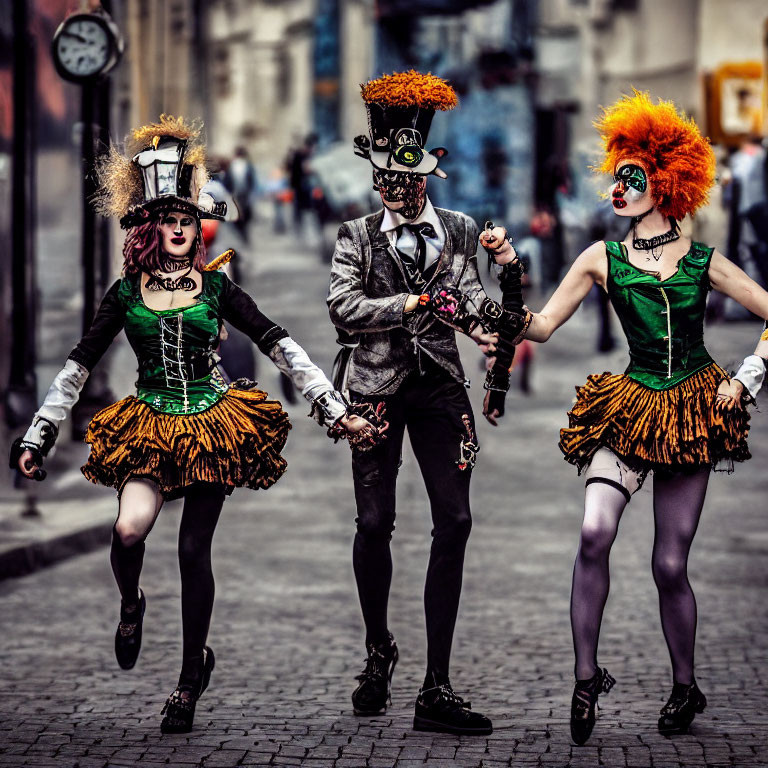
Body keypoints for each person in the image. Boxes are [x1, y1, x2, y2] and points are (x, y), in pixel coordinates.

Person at [10, 116, 375, 735]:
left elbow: (280, 344)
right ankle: (131, 604)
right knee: (128, 531)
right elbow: (78, 366)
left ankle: (187, 680)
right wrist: (38, 432)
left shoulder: (216, 287)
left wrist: (333, 407)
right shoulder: (126, 293)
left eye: (188, 219)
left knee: (191, 550)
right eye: (169, 220)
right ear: (151, 227)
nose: (180, 228)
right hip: (149, 422)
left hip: (211, 424)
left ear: (196, 226)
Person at [483, 91, 768, 744]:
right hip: (630, 406)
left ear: (665, 184)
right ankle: (587, 677)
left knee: (670, 565)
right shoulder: (599, 259)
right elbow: (545, 327)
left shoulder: (704, 262)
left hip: (693, 411)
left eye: (632, 177)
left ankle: (684, 686)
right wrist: (500, 296)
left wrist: (747, 379)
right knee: (593, 531)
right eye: (617, 176)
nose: (618, 187)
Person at [328, 71, 523, 736]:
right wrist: (408, 303)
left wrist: (506, 276)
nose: (395, 188)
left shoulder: (462, 229)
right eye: (384, 176)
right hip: (376, 387)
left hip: (441, 384)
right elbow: (343, 307)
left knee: (457, 521)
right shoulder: (356, 235)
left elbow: (471, 303)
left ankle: (436, 684)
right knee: (373, 524)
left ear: (428, 174)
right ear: (374, 176)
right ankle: (379, 647)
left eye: (406, 177)